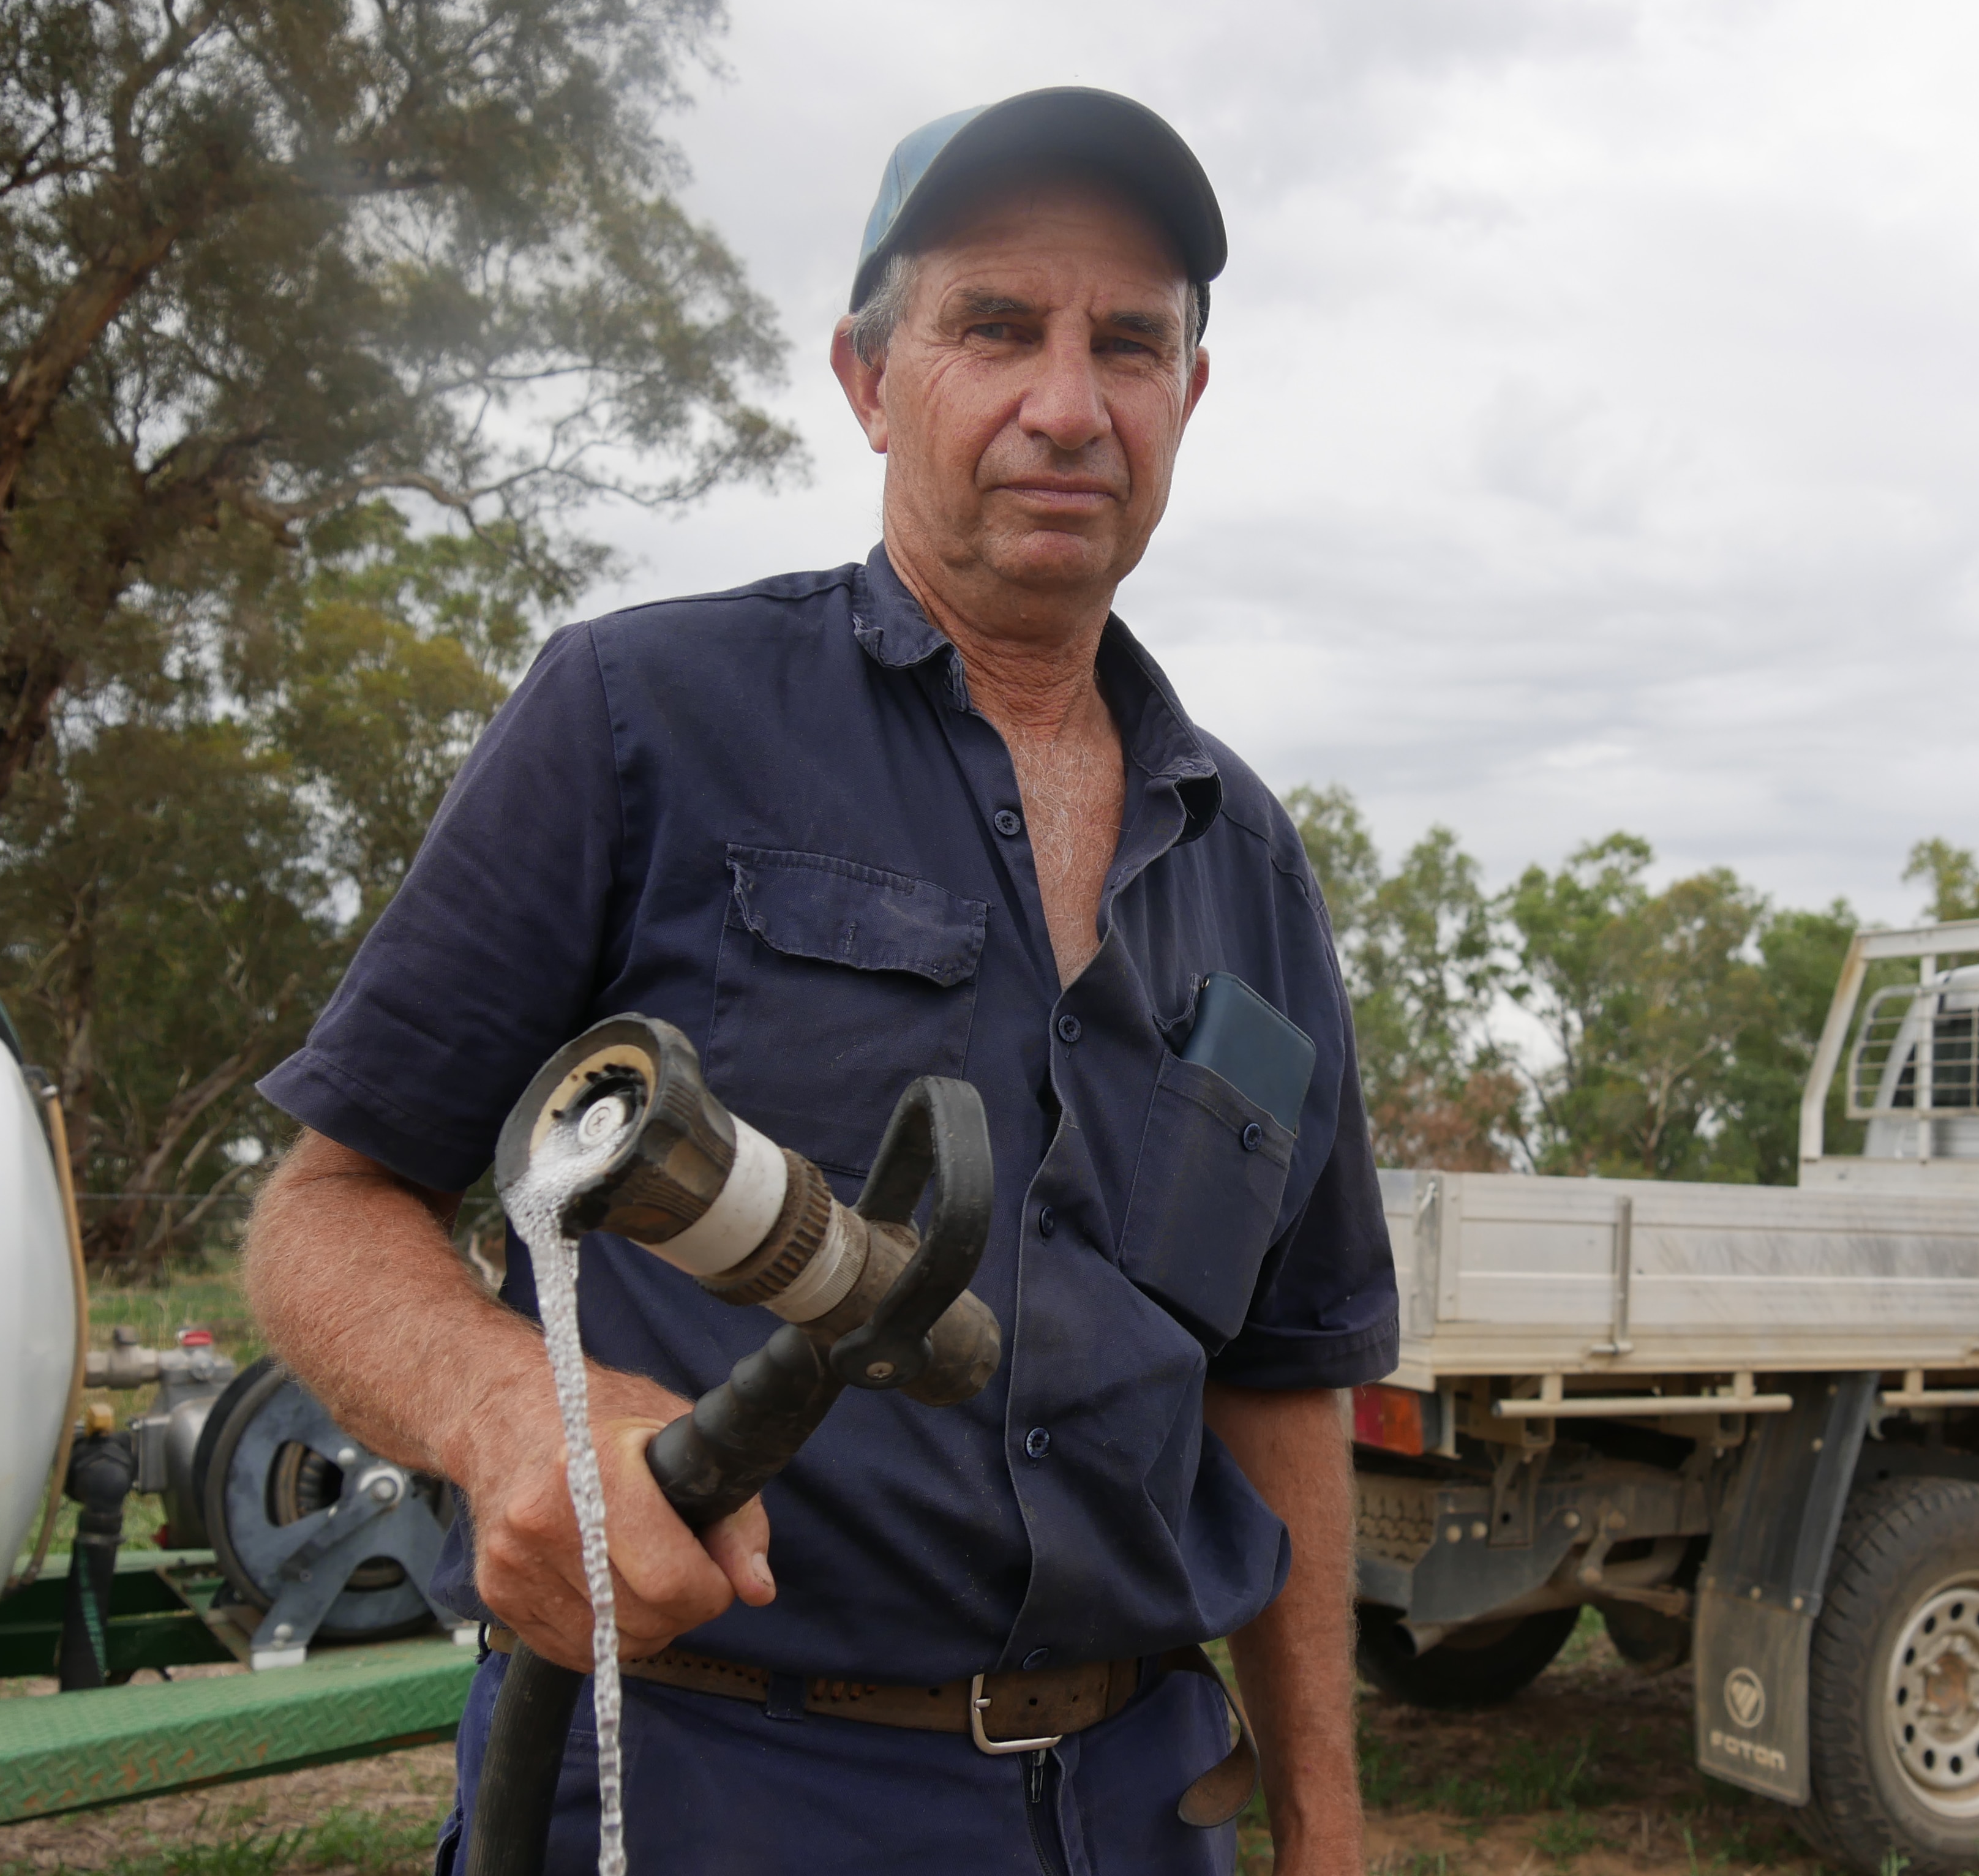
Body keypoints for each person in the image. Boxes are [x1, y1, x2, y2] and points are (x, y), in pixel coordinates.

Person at [244, 88, 1396, 1876]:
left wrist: (1324, 1827)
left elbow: (1280, 1383)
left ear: (1190, 395)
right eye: (995, 329)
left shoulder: (1246, 855)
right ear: (870, 379)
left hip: (1141, 1802)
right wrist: (512, 1420)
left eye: (1131, 344)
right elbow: (325, 1210)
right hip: (709, 1785)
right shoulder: (641, 719)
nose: (1068, 405)